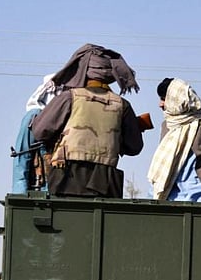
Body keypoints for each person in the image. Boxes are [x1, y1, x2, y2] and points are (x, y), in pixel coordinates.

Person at [31, 44, 144, 198]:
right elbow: (134, 147)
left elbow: (39, 132)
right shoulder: (122, 105)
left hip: (66, 179)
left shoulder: (69, 97)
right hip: (106, 183)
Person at [147, 78, 201, 202]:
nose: (160, 104)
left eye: (163, 99)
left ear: (176, 99)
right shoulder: (166, 125)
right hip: (168, 198)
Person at [12, 74, 59, 193]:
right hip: (38, 189)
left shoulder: (61, 116)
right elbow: (22, 158)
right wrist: (20, 195)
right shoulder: (33, 117)